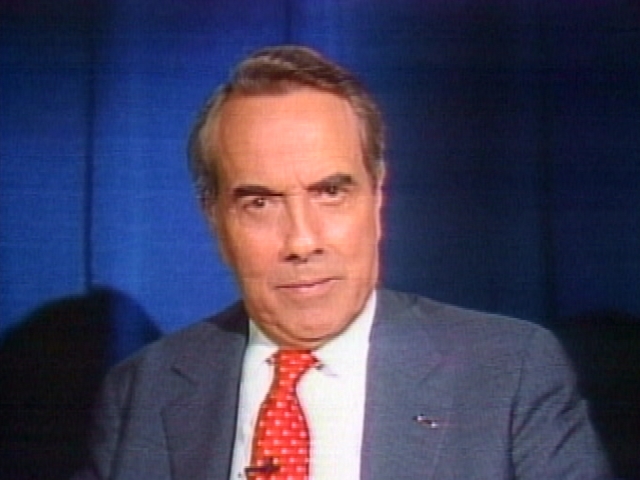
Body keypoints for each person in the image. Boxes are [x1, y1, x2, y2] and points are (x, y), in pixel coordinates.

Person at [77, 46, 611, 479]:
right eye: (260, 203)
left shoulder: (507, 373)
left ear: (377, 199)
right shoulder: (143, 390)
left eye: (330, 193)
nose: (302, 240)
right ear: (214, 218)